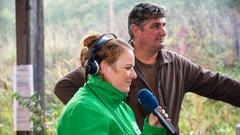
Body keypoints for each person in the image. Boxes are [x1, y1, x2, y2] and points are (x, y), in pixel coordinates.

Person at [54, 2, 240, 134]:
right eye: (156, 26)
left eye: (164, 25)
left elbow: (217, 84)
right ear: (136, 30)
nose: (164, 32)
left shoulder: (178, 64)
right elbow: (64, 87)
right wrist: (103, 112)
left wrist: (149, 129)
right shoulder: (110, 60)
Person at [57, 33, 168, 135]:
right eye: (128, 67)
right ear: (105, 68)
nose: (134, 75)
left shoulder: (121, 106)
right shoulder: (83, 111)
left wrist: (153, 131)